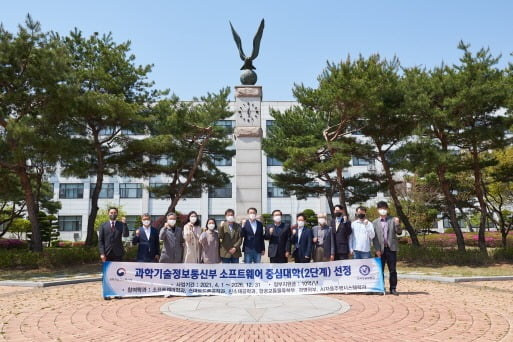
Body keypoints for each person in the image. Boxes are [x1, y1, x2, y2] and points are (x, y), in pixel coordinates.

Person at [373, 201, 403, 295]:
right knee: (380, 270)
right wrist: (377, 249)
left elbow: (399, 233)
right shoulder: (375, 222)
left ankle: (393, 288)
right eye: (381, 208)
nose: (383, 210)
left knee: (393, 270)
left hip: (391, 248)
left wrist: (397, 224)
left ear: (387, 209)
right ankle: (381, 288)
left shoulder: (393, 220)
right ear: (378, 210)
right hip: (380, 250)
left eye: (384, 208)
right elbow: (374, 238)